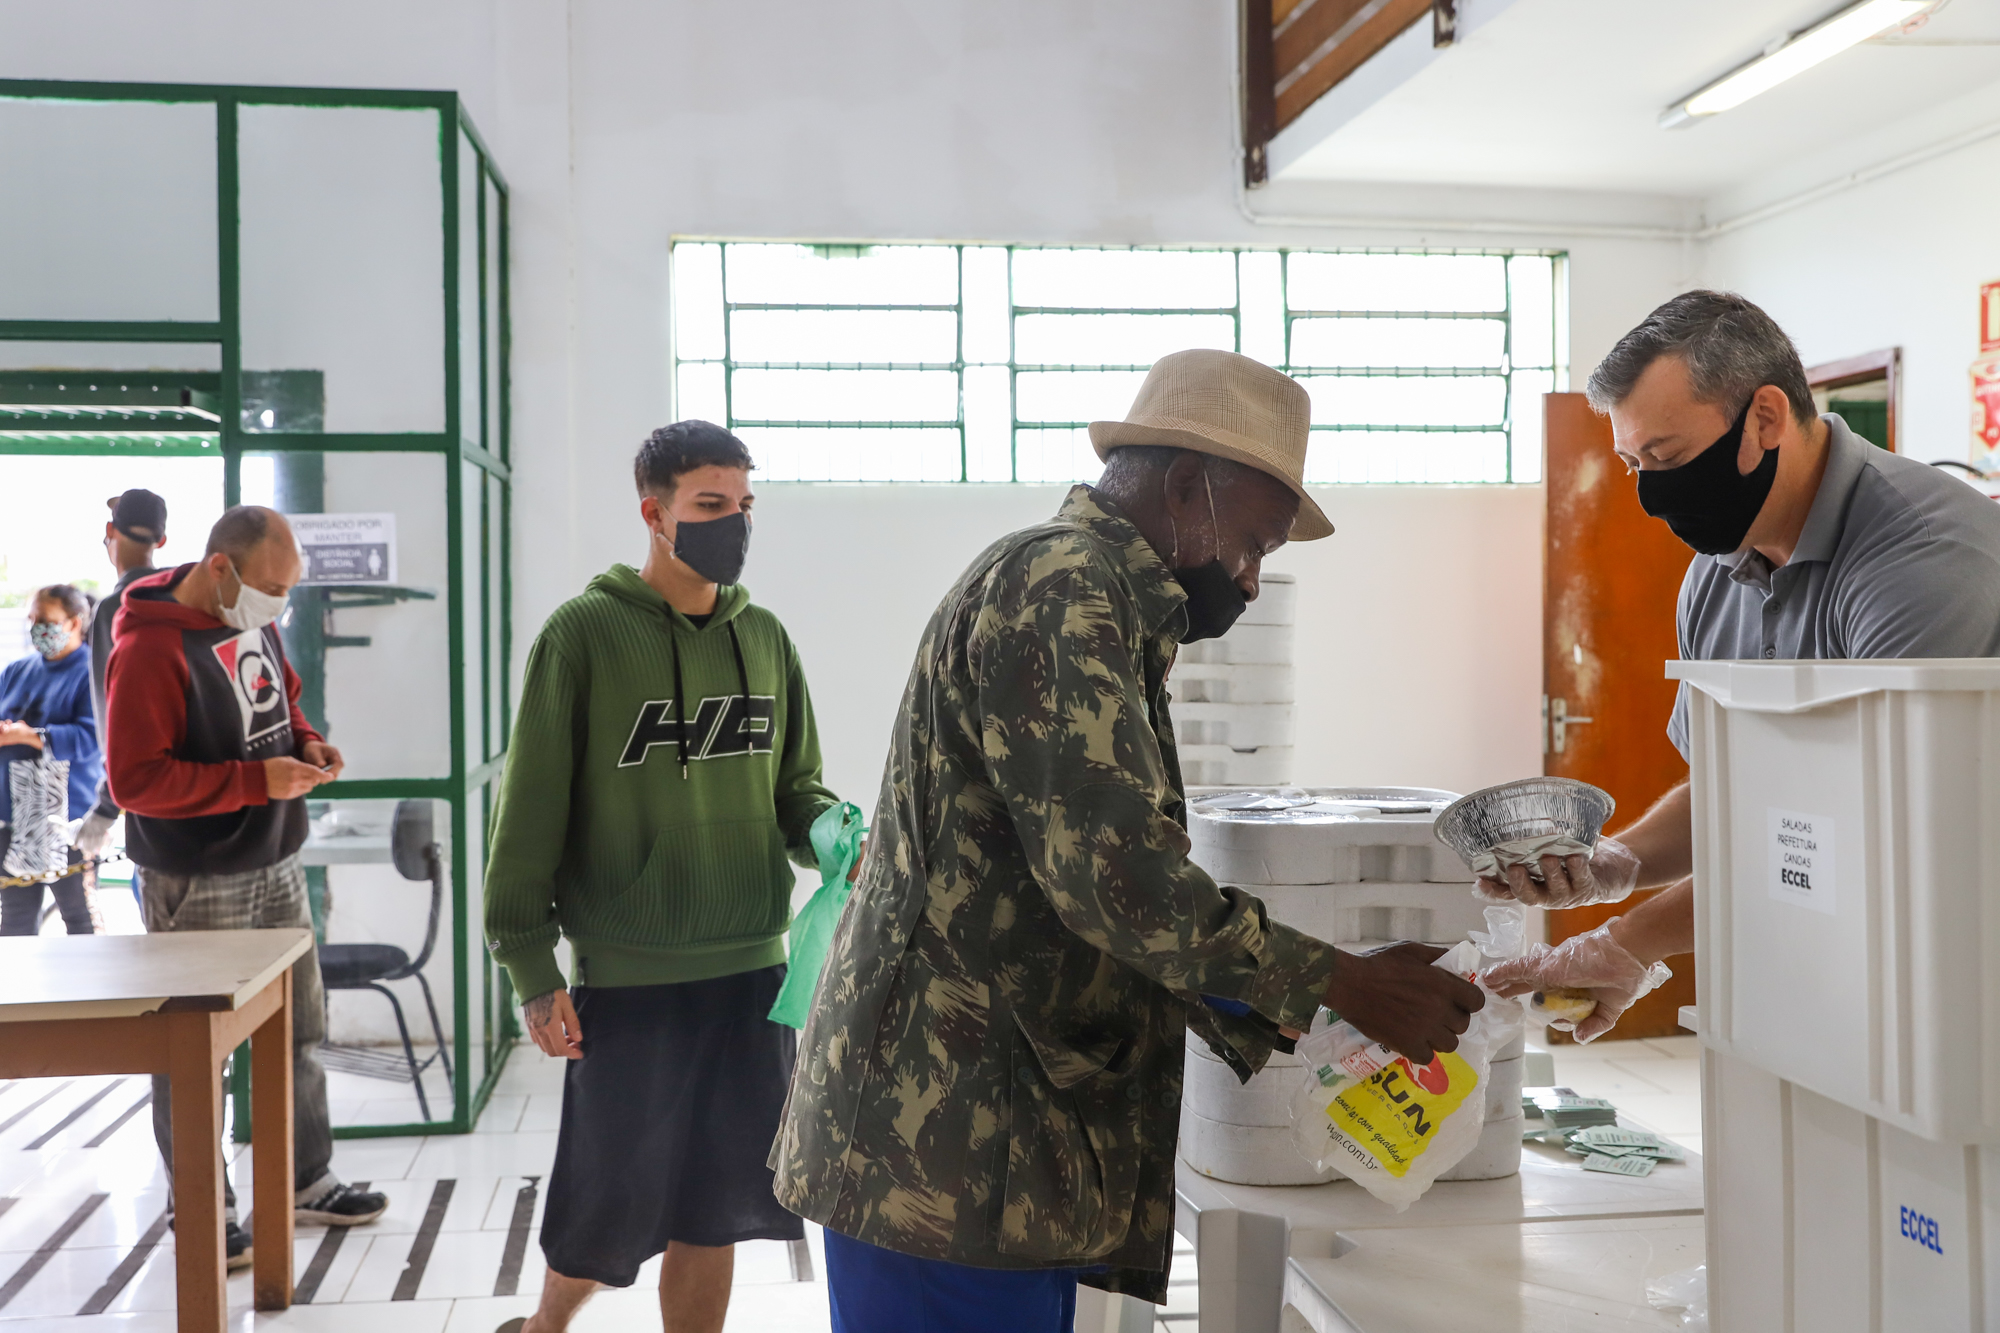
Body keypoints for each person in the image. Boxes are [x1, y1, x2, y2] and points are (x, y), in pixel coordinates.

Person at [772, 350, 1485, 1328]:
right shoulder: (1061, 587)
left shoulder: (1099, 600)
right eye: (1252, 543)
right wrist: (1341, 982)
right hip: (938, 1148)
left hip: (985, 1138)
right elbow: (1118, 881)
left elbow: (1079, 882)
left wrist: (1310, 999)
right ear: (1187, 487)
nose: (1250, 580)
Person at [1482, 291, 2000, 1039]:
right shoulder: (1717, 574)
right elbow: (1736, 788)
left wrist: (1628, 941)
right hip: (1816, 975)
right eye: (1633, 465)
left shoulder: (1919, 560)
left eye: (1667, 458)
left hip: (1957, 973)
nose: (1652, 496)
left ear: (1765, 417)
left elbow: (1867, 830)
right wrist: (1619, 861)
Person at [484, 421, 851, 1333]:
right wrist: (531, 968)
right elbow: (529, 813)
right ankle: (543, 1327)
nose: (735, 523)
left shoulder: (764, 637)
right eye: (711, 504)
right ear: (654, 514)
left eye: (744, 505)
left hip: (752, 974)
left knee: (717, 1205)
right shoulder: (581, 636)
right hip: (629, 976)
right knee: (605, 1206)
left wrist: (828, 830)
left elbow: (795, 787)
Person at [105, 505, 388, 1270]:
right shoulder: (149, 647)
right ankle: (204, 1203)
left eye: (288, 589)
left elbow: (279, 700)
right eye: (271, 587)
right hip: (197, 877)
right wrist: (253, 782)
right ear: (220, 567)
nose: (279, 604)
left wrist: (308, 742)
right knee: (198, 1052)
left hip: (276, 858)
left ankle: (304, 1177)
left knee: (298, 1030)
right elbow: (134, 780)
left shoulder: (249, 618)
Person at [72, 488, 169, 873]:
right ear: (162, 540)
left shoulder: (117, 608)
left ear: (109, 531)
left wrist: (106, 807)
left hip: (149, 795)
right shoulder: (184, 596)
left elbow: (116, 717)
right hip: (201, 785)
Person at [0, 584, 105, 935]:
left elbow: (92, 738)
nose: (35, 627)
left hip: (69, 818)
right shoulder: (17, 671)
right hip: (13, 815)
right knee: (15, 917)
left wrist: (31, 735)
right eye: (31, 619)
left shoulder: (94, 672)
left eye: (44, 620)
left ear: (74, 623)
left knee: (78, 915)